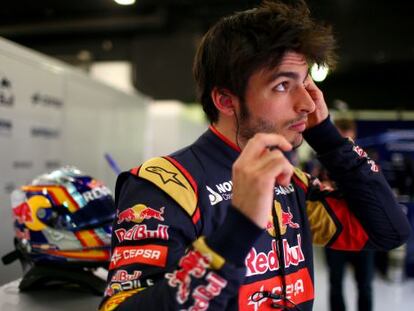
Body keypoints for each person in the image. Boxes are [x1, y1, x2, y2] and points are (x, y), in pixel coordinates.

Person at [99, 1, 411, 310]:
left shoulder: (291, 182)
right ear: (225, 100)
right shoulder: (164, 186)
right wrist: (239, 228)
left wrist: (328, 138)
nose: (307, 103)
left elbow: (389, 231)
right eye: (283, 85)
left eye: (305, 83)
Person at [315, 118, 375, 311]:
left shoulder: (366, 158)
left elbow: (373, 190)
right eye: (341, 135)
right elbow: (314, 190)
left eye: (348, 135)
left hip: (363, 232)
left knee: (365, 284)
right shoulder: (322, 160)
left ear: (354, 134)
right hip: (335, 233)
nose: (345, 140)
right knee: (335, 283)